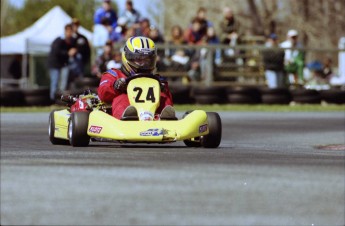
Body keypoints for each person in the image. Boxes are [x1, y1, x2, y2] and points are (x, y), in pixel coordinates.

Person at [97, 36, 175, 120]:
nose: (143, 64)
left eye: (147, 60)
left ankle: (166, 120)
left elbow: (169, 98)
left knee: (163, 97)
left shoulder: (156, 79)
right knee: (122, 98)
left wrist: (163, 89)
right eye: (139, 59)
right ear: (127, 56)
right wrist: (115, 86)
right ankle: (127, 118)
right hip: (118, 117)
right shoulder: (114, 74)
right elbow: (103, 93)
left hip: (152, 114)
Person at [48, 24, 77, 101]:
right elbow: (56, 52)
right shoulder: (59, 40)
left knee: (63, 82)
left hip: (63, 64)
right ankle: (53, 99)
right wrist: (67, 53)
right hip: (54, 64)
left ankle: (61, 99)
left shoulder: (71, 41)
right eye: (68, 31)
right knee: (55, 82)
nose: (69, 33)